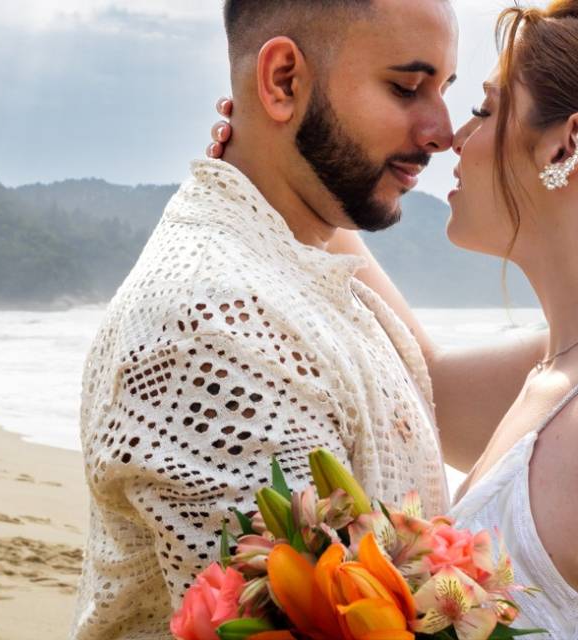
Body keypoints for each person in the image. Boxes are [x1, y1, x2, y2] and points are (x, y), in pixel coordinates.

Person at [211, 0, 578, 637]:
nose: (452, 138)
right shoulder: (577, 364)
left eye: (484, 109)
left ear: (567, 145)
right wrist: (282, 176)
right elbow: (425, 383)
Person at [71, 1, 543, 638]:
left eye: (446, 89)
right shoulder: (214, 330)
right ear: (284, 80)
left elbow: (435, 391)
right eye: (407, 87)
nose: (442, 131)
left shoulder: (297, 245)